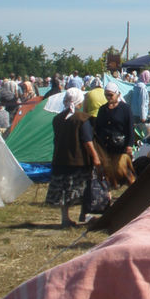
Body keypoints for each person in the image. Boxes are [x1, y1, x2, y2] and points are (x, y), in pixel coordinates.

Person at [45, 88, 101, 228]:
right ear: (79, 101)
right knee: (83, 190)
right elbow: (87, 141)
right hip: (78, 161)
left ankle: (65, 219)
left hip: (60, 159)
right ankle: (86, 216)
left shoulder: (58, 119)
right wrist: (96, 158)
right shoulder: (82, 119)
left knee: (63, 192)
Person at [93, 82, 136, 188]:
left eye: (111, 95)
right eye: (106, 95)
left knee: (122, 169)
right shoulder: (102, 109)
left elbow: (130, 127)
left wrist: (130, 145)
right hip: (106, 145)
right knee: (109, 170)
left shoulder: (125, 109)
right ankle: (112, 187)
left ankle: (133, 187)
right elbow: (98, 128)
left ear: (117, 94)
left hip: (120, 145)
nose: (108, 97)